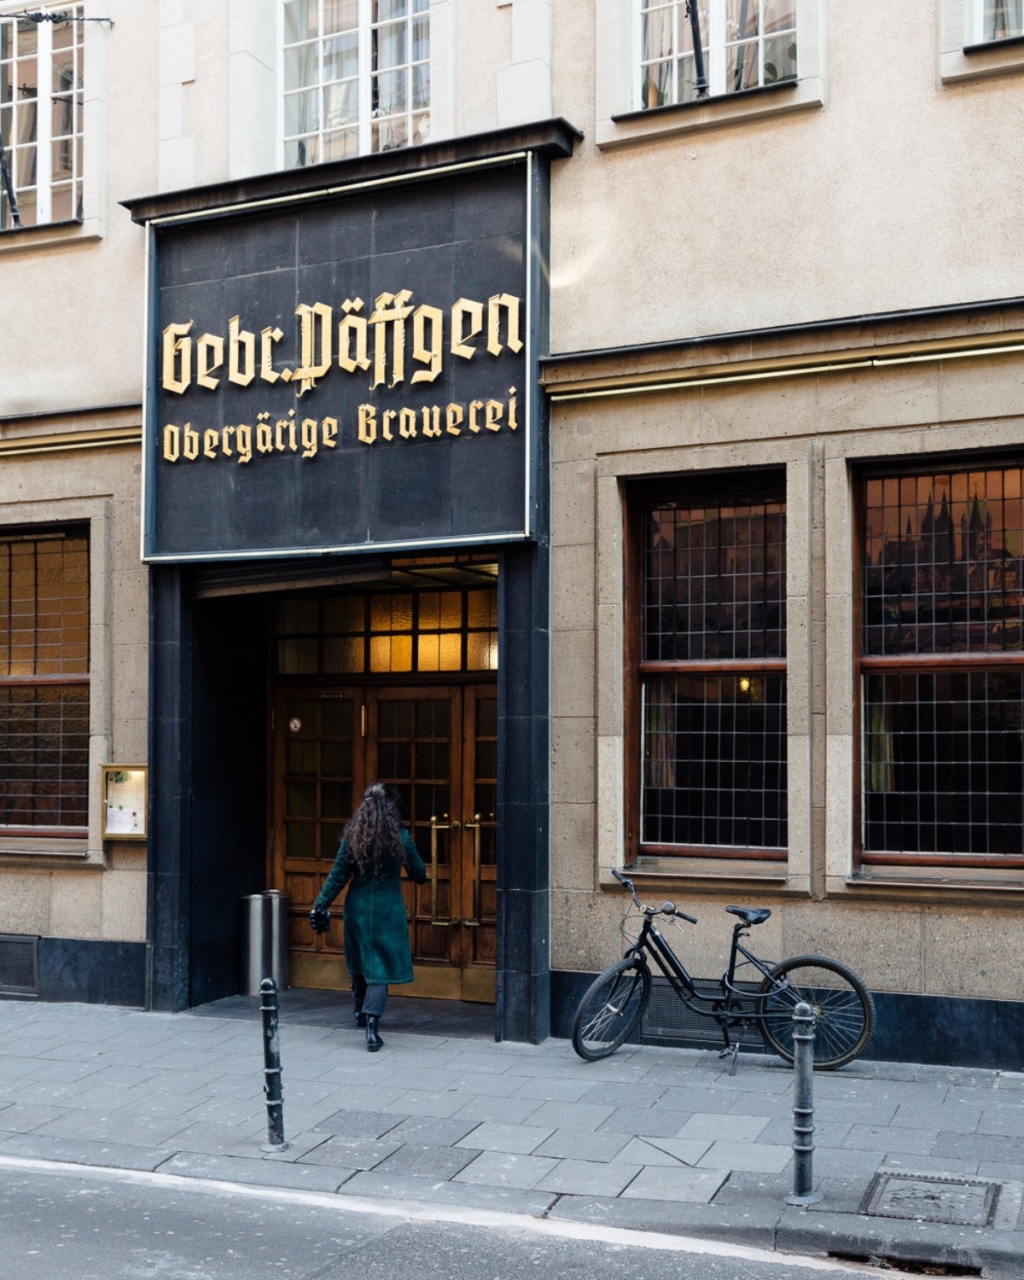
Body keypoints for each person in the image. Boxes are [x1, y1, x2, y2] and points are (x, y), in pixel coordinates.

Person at [308, 782, 427, 1051]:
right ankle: (372, 1029)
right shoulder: (401, 837)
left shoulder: (353, 838)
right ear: (391, 810)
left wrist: (319, 905)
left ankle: (360, 1013)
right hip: (388, 912)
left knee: (361, 963)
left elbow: (338, 876)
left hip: (357, 909)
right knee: (380, 969)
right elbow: (419, 873)